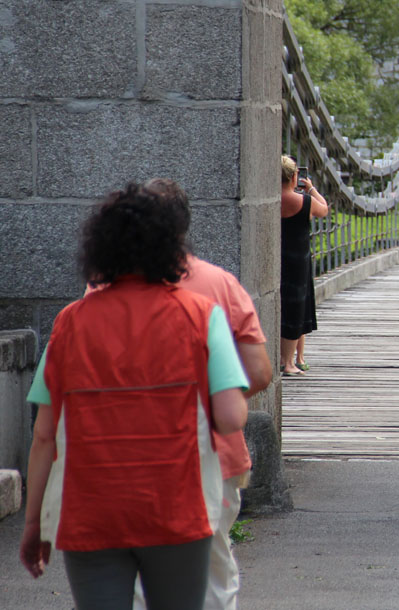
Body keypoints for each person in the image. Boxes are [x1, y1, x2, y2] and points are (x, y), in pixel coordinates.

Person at [19, 183, 249, 609]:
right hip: (176, 505)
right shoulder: (202, 317)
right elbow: (232, 417)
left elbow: (45, 434)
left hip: (91, 509)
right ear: (173, 246)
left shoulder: (70, 323)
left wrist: (35, 523)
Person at [129, 180, 271, 610]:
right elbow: (259, 372)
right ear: (185, 225)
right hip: (214, 454)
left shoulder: (102, 290)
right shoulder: (220, 285)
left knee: (139, 580)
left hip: (129, 454)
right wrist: (210, 400)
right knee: (213, 576)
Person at [281, 156, 329, 376]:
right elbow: (324, 209)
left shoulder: (271, 199)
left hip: (278, 259)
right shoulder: (303, 201)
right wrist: (310, 189)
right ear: (294, 177)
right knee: (297, 309)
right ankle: (288, 363)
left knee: (286, 308)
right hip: (299, 261)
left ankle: (295, 358)